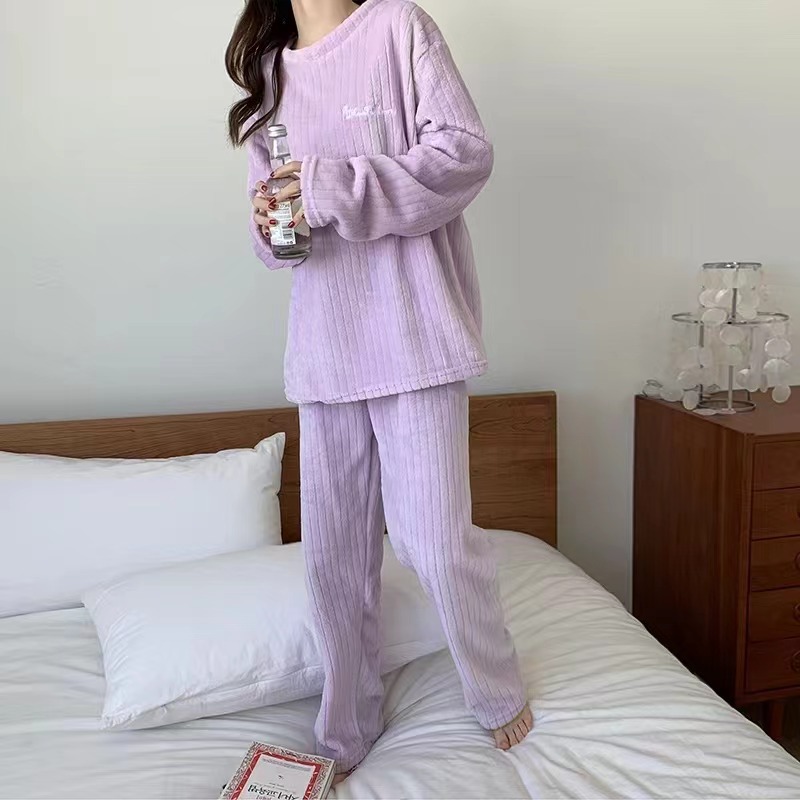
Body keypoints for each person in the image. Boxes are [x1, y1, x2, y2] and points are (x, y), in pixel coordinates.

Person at [226, 0, 532, 781]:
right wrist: (273, 224)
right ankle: (346, 723)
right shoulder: (269, 72)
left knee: (434, 542)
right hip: (324, 355)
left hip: (417, 339)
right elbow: (277, 244)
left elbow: (464, 155)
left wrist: (330, 186)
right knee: (334, 559)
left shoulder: (400, 28)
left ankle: (495, 687)